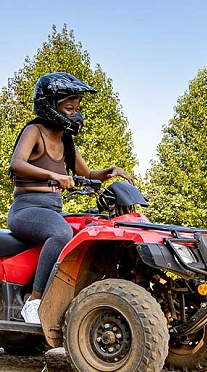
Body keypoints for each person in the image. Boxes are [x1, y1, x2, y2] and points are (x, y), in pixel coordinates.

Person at [7, 72, 135, 323]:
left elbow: (87, 173)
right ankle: (34, 302)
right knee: (61, 233)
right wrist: (54, 177)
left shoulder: (66, 142)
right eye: (69, 106)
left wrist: (110, 172)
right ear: (51, 104)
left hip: (52, 211)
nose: (75, 112)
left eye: (77, 107)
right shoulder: (34, 131)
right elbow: (16, 164)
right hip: (26, 209)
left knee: (88, 230)